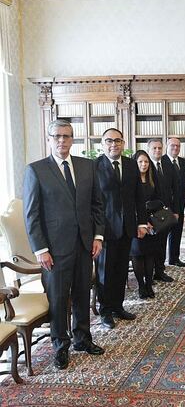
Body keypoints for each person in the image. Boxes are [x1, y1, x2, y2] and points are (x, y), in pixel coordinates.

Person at [23, 119, 105, 370]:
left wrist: (98, 236)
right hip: (54, 250)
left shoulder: (87, 166)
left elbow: (97, 205)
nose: (62, 140)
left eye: (66, 136)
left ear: (72, 139)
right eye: (57, 136)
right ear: (49, 139)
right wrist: (41, 250)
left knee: (82, 293)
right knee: (58, 299)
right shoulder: (36, 170)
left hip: (84, 244)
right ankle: (60, 346)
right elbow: (32, 214)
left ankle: (82, 339)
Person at [95, 128, 147, 330]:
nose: (113, 144)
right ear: (103, 144)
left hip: (127, 227)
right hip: (105, 229)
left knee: (121, 269)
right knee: (105, 272)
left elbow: (139, 196)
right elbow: (93, 202)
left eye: (117, 140)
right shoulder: (94, 166)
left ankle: (118, 306)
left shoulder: (131, 164)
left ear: (123, 143)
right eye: (109, 141)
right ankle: (105, 311)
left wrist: (141, 222)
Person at [147, 138, 180, 283]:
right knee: (150, 245)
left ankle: (160, 271)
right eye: (154, 148)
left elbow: (176, 189)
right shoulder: (144, 165)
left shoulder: (168, 165)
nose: (157, 150)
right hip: (149, 213)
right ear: (149, 150)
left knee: (162, 243)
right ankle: (149, 273)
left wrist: (175, 211)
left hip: (165, 212)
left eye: (160, 148)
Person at [130, 150, 160, 299]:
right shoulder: (130, 180)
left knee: (149, 255)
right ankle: (141, 286)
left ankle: (149, 285)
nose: (144, 164)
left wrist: (150, 221)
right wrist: (141, 222)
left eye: (146, 161)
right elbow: (129, 204)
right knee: (137, 255)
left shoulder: (153, 179)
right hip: (135, 223)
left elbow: (159, 200)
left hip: (152, 224)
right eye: (140, 161)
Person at [164, 137, 185, 267]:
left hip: (180, 204)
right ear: (167, 146)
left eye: (178, 146)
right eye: (173, 145)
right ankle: (159, 262)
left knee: (177, 231)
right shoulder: (162, 161)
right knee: (164, 234)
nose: (175, 148)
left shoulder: (184, 163)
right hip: (166, 205)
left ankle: (174, 258)